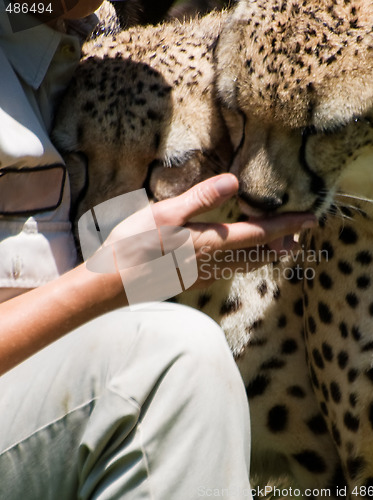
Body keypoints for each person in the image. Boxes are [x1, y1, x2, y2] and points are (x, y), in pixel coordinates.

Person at [0, 1, 317, 498]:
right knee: (172, 359)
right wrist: (109, 282)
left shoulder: (60, 34)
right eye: (79, 156)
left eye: (165, 163)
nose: (106, 214)